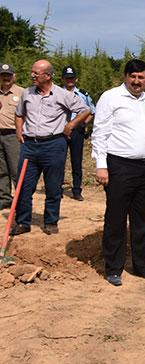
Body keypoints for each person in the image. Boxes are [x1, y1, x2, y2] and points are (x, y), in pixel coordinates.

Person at [92, 59, 145, 286]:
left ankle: (141, 266)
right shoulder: (111, 97)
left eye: (141, 77)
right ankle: (113, 268)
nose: (137, 81)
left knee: (143, 219)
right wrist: (101, 164)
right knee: (116, 218)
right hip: (119, 166)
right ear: (125, 76)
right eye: (133, 76)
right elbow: (99, 132)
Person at [12, 59, 90, 236]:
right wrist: (19, 131)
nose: (32, 75)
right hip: (29, 145)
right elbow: (18, 114)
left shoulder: (63, 95)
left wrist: (71, 125)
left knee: (53, 185)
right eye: (32, 72)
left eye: (36, 73)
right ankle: (23, 222)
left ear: (47, 76)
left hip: (54, 145)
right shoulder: (27, 93)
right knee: (24, 185)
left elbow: (85, 110)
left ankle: (51, 221)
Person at [61, 65, 95, 202]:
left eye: (72, 78)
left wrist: (83, 123)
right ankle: (57, 188)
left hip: (77, 131)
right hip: (61, 131)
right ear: (63, 79)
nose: (70, 80)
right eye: (67, 78)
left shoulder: (83, 94)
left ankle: (76, 190)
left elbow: (92, 111)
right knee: (58, 161)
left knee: (76, 161)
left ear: (76, 79)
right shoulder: (57, 93)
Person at [0, 63, 23, 210]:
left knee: (16, 169)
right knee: (1, 169)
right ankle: (5, 198)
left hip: (13, 135)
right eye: (3, 75)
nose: (6, 78)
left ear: (14, 76)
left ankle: (21, 199)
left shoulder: (22, 93)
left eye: (8, 75)